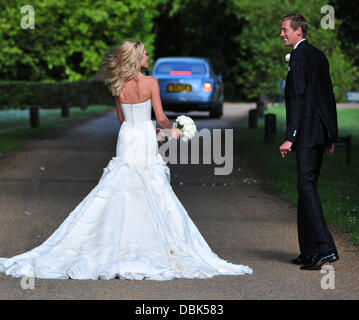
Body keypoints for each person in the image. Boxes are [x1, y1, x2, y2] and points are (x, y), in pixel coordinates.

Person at [0, 39, 252, 280]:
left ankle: (109, 241)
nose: (148, 57)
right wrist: (172, 129)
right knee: (150, 184)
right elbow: (161, 116)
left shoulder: (117, 85)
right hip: (143, 135)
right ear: (136, 59)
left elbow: (122, 119)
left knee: (119, 183)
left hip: (127, 134)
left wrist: (154, 129)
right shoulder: (151, 82)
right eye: (144, 54)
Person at [279, 14, 339, 270]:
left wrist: (290, 137)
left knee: (305, 187)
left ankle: (326, 249)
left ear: (298, 32)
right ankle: (309, 251)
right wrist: (330, 135)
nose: (281, 34)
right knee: (306, 188)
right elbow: (327, 95)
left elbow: (300, 99)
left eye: (284, 30)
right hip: (318, 131)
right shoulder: (318, 55)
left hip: (306, 131)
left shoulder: (300, 56)